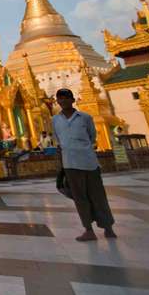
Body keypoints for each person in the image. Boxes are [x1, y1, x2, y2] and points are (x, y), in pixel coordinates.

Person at [52, 88, 116, 242]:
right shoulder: (55, 120)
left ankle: (108, 227)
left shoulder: (85, 118)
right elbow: (58, 140)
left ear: (73, 100)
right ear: (57, 102)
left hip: (89, 162)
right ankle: (88, 229)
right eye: (60, 99)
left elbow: (92, 136)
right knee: (80, 198)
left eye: (66, 98)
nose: (63, 101)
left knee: (98, 196)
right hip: (70, 164)